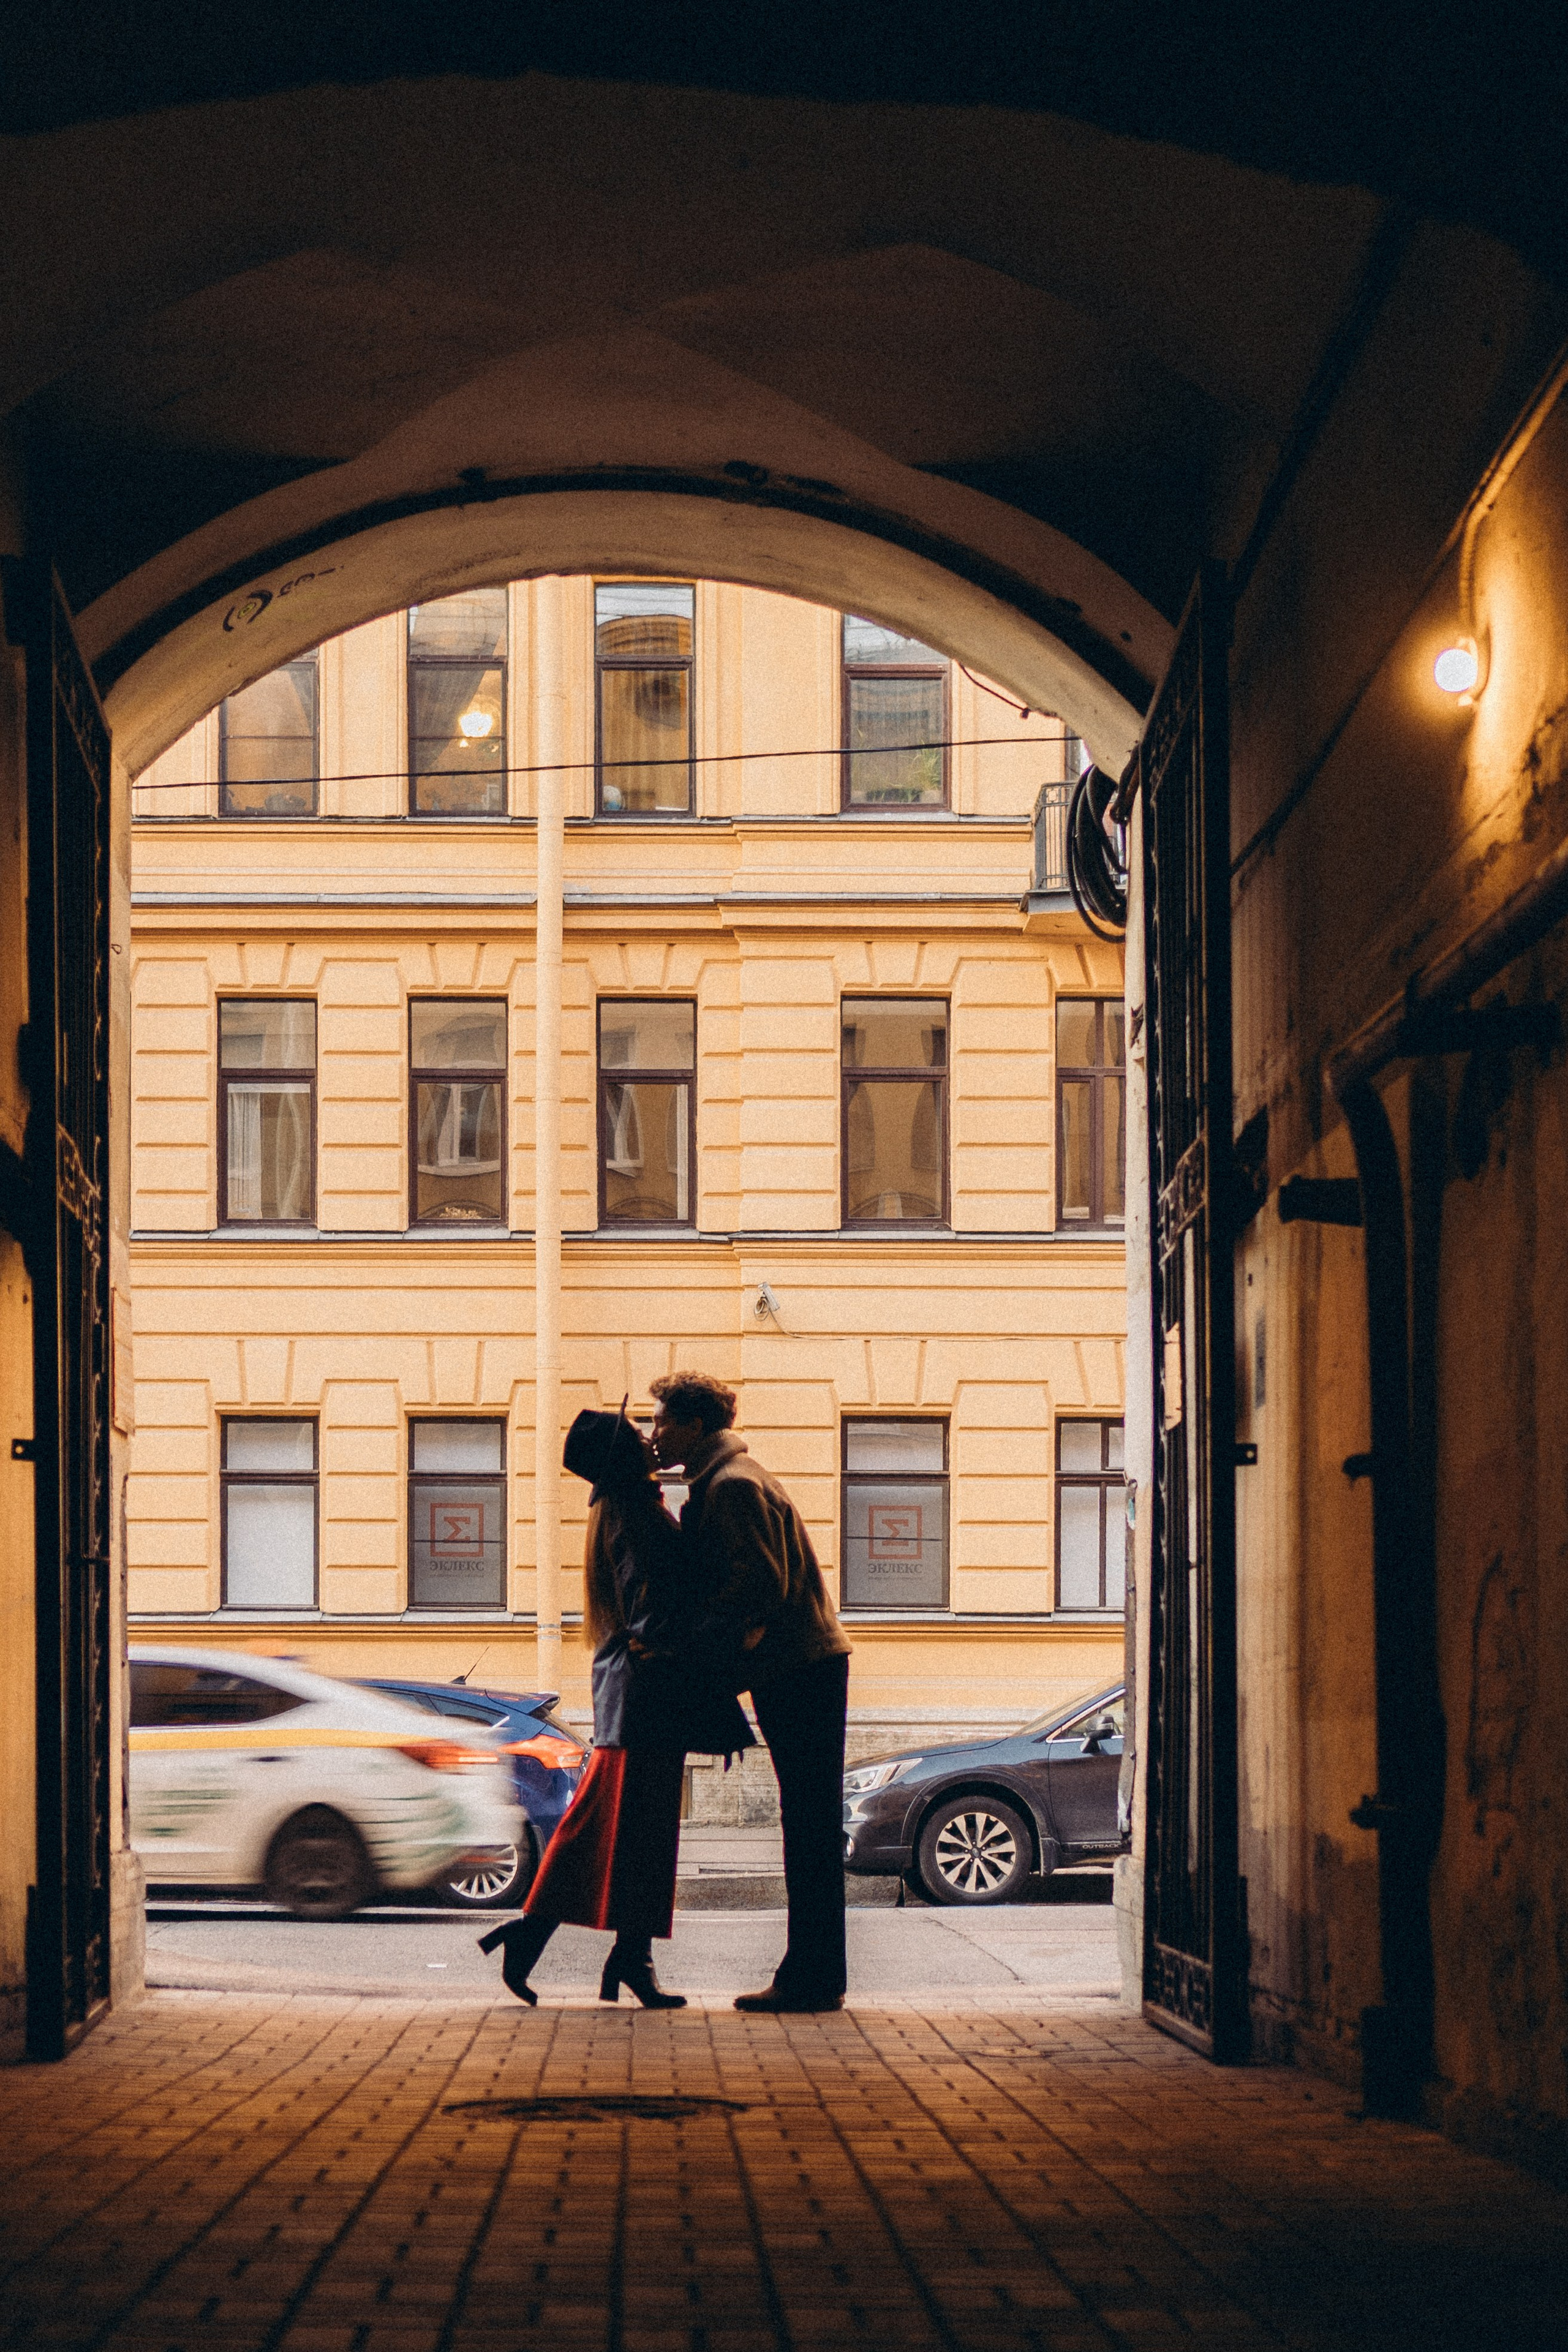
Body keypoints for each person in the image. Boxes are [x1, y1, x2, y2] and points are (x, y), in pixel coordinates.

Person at [478, 1401, 753, 2008]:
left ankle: (605, 1953)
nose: (649, 1440)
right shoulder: (638, 1517)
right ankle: (594, 1952)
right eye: (637, 1436)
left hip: (634, 1696)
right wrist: (708, 1693)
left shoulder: (625, 1512)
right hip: (647, 1697)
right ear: (622, 1459)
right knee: (633, 1837)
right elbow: (657, 1615)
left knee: (618, 1835)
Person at [649, 1371, 852, 2015]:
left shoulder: (732, 1487)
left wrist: (698, 1653)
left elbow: (758, 1587)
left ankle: (811, 1978)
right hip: (803, 1665)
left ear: (694, 1426)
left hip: (798, 1667)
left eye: (662, 1422)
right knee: (809, 1822)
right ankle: (814, 1973)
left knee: (809, 1825)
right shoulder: (731, 1478)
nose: (653, 1435)